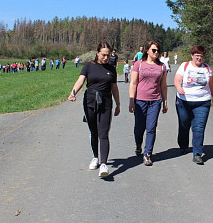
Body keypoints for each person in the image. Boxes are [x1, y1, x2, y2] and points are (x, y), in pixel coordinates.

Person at [68, 42, 120, 178]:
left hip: (106, 102)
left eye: (108, 55)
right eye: (103, 55)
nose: (106, 57)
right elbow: (80, 81)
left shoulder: (111, 68)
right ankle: (95, 157)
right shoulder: (89, 66)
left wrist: (118, 103)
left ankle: (103, 164)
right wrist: (73, 92)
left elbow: (114, 87)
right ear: (97, 53)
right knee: (93, 131)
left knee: (103, 133)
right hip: (90, 101)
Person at [174, 45, 213, 165]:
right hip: (184, 101)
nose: (199, 58)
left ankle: (197, 153)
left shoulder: (207, 68)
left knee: (199, 128)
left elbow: (212, 84)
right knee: (184, 124)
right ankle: (183, 146)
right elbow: (177, 79)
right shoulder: (185, 66)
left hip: (203, 102)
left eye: (201, 56)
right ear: (192, 56)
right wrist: (178, 87)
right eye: (197, 56)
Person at [129, 41, 168, 166]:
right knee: (139, 128)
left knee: (151, 128)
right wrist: (131, 100)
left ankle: (147, 154)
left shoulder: (162, 67)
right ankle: (138, 144)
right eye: (153, 50)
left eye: (158, 50)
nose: (156, 52)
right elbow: (133, 83)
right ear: (147, 50)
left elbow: (163, 86)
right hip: (140, 101)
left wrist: (165, 101)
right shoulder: (138, 65)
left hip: (155, 101)